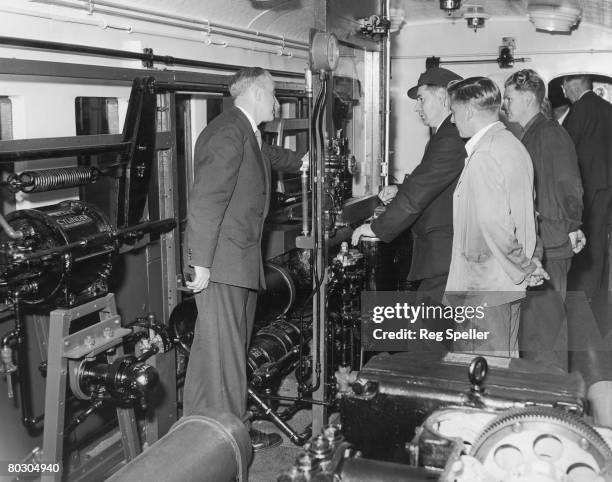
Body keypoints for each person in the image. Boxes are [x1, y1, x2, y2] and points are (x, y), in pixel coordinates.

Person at [183, 67, 306, 450]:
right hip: (221, 264)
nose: (277, 101)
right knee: (224, 355)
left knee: (221, 353)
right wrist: (200, 264)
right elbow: (206, 201)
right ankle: (223, 440)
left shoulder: (245, 132)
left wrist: (303, 162)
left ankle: (212, 429)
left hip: (237, 261)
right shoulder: (227, 133)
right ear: (254, 92)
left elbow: (267, 154)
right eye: (272, 93)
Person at [445, 76, 547, 356]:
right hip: (506, 287)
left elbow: (495, 226)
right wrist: (529, 263)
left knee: (478, 377)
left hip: (483, 289)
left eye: (453, 113)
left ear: (467, 111)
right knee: (503, 371)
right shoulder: (513, 146)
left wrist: (525, 266)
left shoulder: (485, 156)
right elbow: (528, 215)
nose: (453, 121)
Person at [351, 67, 465, 305]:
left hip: (444, 252)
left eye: (422, 99)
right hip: (444, 251)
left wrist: (378, 227)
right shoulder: (447, 133)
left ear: (444, 97)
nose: (417, 107)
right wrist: (402, 188)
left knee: (427, 334)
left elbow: (423, 188)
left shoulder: (449, 136)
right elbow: (434, 181)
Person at [503, 69, 584, 370]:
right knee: (537, 329)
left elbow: (569, 185)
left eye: (509, 98)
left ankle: (549, 398)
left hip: (550, 244)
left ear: (528, 98)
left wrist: (573, 226)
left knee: (545, 332)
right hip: (541, 241)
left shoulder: (548, 134)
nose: (505, 105)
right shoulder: (532, 133)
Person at [562, 74, 612, 304]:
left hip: (587, 185)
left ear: (573, 86)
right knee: (600, 237)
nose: (563, 92)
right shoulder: (607, 107)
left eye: (564, 87)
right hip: (606, 183)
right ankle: (600, 289)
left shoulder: (579, 109)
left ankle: (584, 292)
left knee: (586, 238)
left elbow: (566, 148)